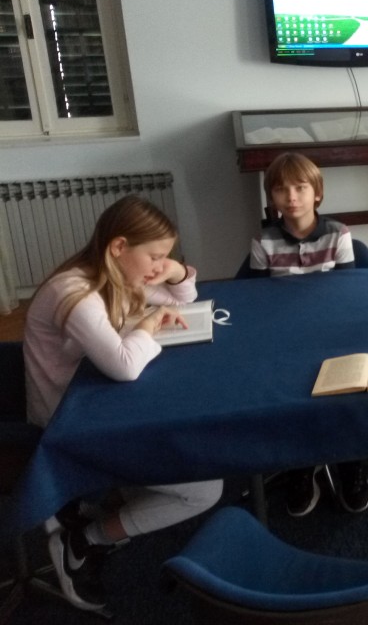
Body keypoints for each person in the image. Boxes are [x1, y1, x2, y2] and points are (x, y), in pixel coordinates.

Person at [23, 195, 223, 612]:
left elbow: (182, 301)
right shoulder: (76, 293)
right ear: (118, 247)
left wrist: (176, 270)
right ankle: (83, 538)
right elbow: (125, 366)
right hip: (68, 425)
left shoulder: (111, 276)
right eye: (155, 256)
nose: (158, 267)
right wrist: (148, 324)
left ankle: (90, 504)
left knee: (179, 434)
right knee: (205, 489)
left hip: (95, 402)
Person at [242, 152, 368, 517]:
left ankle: (351, 462)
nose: (291, 197)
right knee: (290, 394)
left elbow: (347, 295)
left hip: (334, 334)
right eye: (281, 190)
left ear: (317, 192)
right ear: (271, 197)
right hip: (285, 337)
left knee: (347, 392)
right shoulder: (263, 241)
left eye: (300, 188)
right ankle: (300, 466)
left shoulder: (338, 234)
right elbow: (257, 301)